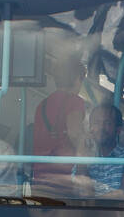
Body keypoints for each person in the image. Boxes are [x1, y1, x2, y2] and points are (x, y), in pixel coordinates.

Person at [32, 54, 87, 187]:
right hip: (63, 175)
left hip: (40, 173)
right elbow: (74, 133)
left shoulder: (43, 104)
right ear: (76, 78)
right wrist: (84, 165)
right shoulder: (75, 101)